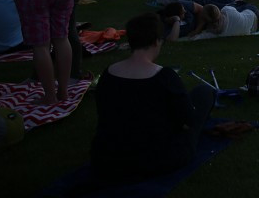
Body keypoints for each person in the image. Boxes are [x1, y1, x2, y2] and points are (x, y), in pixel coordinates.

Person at [91, 12, 215, 184]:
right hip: (158, 159)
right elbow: (188, 119)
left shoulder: (109, 73)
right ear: (157, 41)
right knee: (204, 93)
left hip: (109, 157)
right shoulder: (164, 77)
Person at [192, 2, 259, 37]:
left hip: (254, 28)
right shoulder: (227, 11)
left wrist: (199, 26)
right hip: (254, 16)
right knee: (237, 4)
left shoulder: (212, 33)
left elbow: (194, 37)